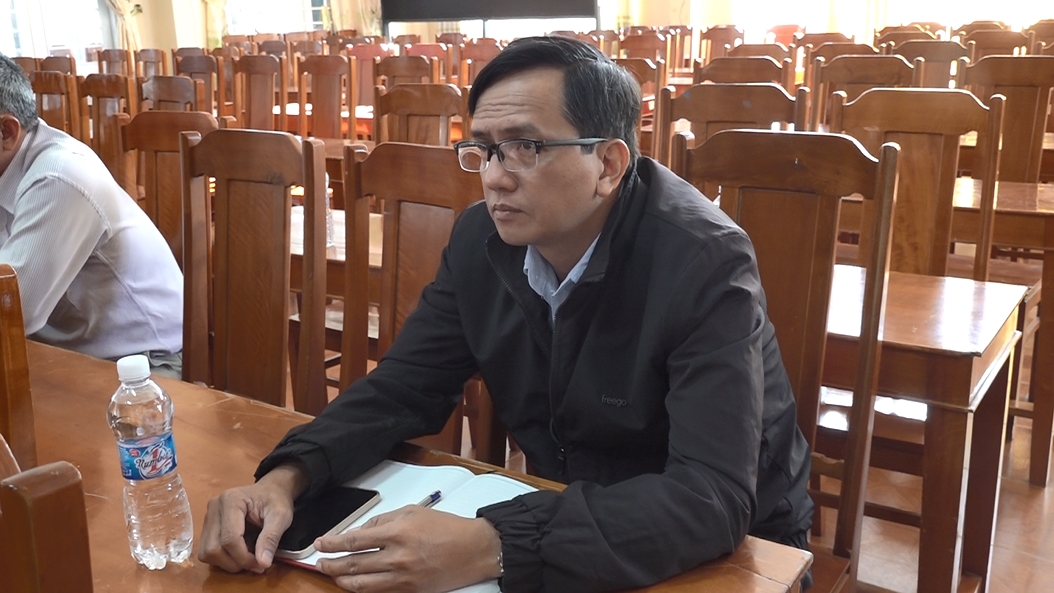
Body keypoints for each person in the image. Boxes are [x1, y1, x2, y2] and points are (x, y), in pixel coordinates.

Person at [199, 36, 813, 592]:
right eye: (485, 150)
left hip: (732, 551)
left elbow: (710, 497)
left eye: (525, 148)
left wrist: (495, 544)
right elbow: (404, 386)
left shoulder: (702, 260)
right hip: (568, 522)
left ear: (608, 164)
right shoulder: (481, 241)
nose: (494, 178)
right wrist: (288, 475)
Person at [0, 54, 183, 377]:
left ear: (6, 131)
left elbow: (9, 313)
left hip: (142, 365)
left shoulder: (56, 176)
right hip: (70, 355)